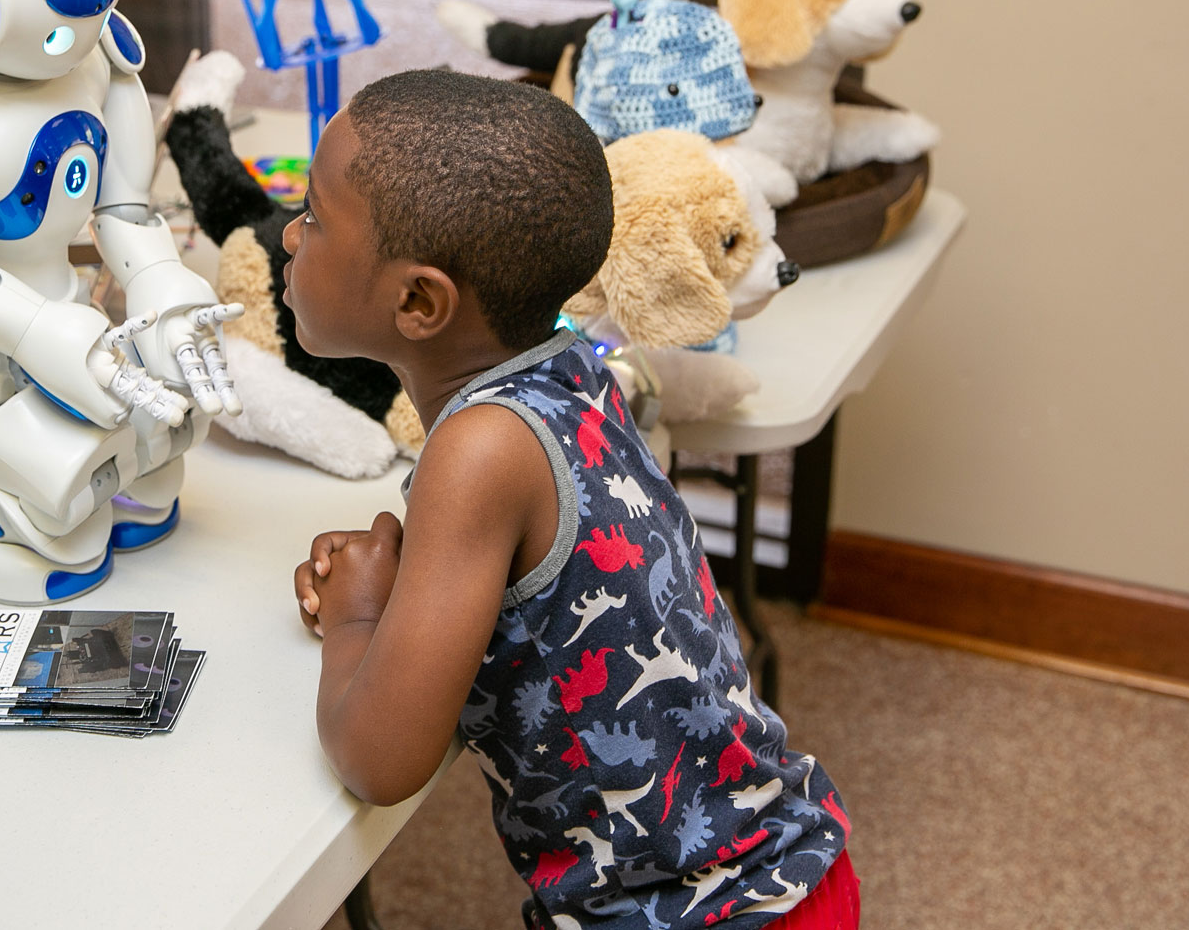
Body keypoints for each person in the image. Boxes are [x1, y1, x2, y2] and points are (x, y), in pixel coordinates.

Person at [288, 71, 858, 929]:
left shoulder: (478, 450)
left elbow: (379, 758)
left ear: (418, 300)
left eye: (313, 215)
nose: (291, 234)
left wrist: (358, 619)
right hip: (791, 873)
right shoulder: (572, 365)